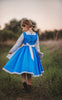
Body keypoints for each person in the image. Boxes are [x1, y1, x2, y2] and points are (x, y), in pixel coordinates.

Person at [2, 19, 44, 92]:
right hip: (32, 53)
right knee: (29, 70)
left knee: (23, 68)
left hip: (24, 52)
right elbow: (37, 46)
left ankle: (24, 82)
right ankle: (29, 84)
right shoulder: (36, 35)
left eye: (22, 27)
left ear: (26, 26)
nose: (22, 29)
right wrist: (38, 53)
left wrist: (11, 50)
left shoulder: (24, 34)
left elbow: (17, 44)